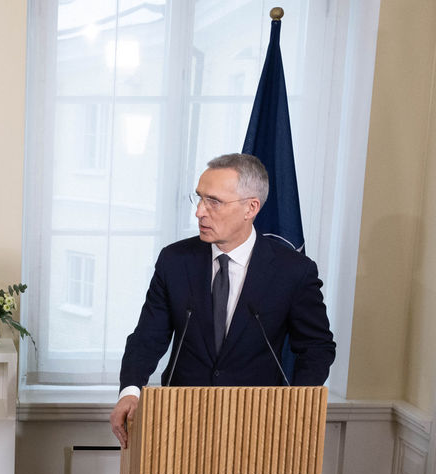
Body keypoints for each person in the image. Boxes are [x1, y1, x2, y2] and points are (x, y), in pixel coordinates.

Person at [110, 153, 335, 448]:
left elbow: (316, 348)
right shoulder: (175, 261)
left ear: (250, 208)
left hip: (260, 426)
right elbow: (147, 338)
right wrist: (130, 390)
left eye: (213, 202)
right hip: (180, 422)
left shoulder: (293, 270)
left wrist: (295, 406)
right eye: (200, 199)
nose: (200, 212)